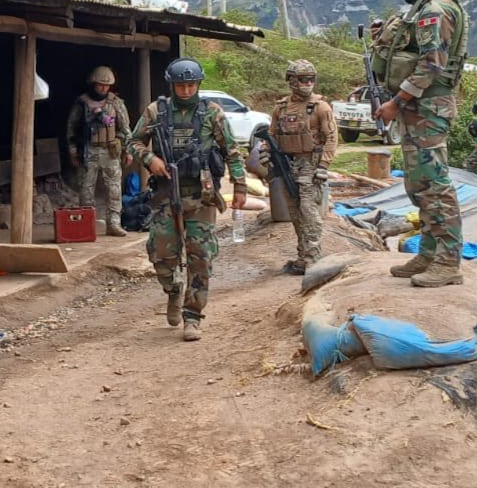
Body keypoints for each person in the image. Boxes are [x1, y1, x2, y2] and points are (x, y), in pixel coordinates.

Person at [370, 0, 470, 288]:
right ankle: (429, 252)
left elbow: (432, 64)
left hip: (428, 109)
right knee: (418, 184)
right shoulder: (423, 10)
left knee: (434, 185)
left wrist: (396, 102)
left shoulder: (436, 11)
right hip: (420, 109)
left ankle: (447, 260)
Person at [127, 58, 248, 342]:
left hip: (202, 195)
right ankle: (172, 289)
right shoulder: (157, 111)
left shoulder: (212, 113)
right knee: (161, 253)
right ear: (172, 85)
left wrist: (240, 185)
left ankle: (193, 316)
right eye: (180, 85)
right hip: (165, 192)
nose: (185, 90)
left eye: (190, 85)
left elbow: (231, 151)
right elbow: (133, 141)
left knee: (201, 256)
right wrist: (150, 158)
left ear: (198, 84)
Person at [266, 59, 339, 275]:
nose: (307, 84)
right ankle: (303, 255)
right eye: (302, 79)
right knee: (295, 213)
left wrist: (324, 164)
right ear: (292, 81)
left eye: (311, 79)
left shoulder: (320, 107)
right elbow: (272, 135)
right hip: (288, 165)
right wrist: (266, 152)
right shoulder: (280, 108)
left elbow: (332, 137)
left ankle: (313, 257)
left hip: (311, 165)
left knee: (309, 211)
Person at [66, 66, 132, 237]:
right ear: (93, 84)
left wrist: (128, 150)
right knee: (86, 190)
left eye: (107, 85)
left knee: (114, 189)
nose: (103, 88)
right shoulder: (82, 103)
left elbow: (125, 128)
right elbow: (72, 128)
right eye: (100, 85)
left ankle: (114, 224)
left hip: (110, 151)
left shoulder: (115, 103)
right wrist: (73, 151)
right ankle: (87, 226)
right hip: (88, 151)